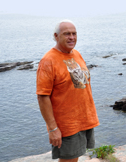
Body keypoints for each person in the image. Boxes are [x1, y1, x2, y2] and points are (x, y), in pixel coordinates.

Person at [36, 20, 99, 162]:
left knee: (74, 158)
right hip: (66, 125)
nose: (72, 37)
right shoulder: (48, 61)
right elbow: (42, 97)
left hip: (83, 119)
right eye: (67, 34)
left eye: (74, 33)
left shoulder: (76, 53)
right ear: (56, 36)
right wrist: (53, 129)